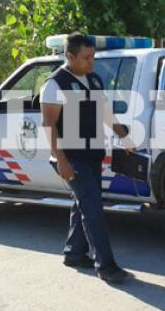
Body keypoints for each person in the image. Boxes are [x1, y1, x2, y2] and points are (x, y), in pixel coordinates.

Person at [40, 32, 134, 283]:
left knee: (83, 202)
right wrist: (61, 161)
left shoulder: (93, 79)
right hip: (71, 157)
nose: (91, 62)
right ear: (69, 56)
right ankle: (106, 265)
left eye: (93, 56)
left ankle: (73, 253)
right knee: (93, 209)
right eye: (86, 57)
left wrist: (122, 136)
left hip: (92, 154)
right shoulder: (55, 84)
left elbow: (104, 111)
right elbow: (49, 125)